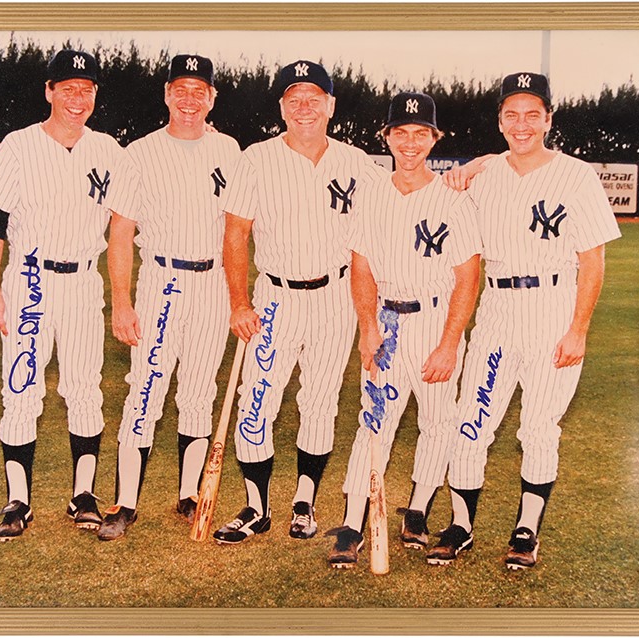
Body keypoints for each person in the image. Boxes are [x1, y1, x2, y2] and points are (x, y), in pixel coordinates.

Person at [426, 72, 621, 569]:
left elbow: (592, 262)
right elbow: (436, 211)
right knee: (471, 422)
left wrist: (578, 329)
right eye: (511, 114)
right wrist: (471, 166)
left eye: (533, 113)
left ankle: (526, 530)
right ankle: (461, 526)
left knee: (538, 428)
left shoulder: (577, 175)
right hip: (496, 309)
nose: (522, 123)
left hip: (554, 310)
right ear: (499, 121)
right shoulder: (482, 177)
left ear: (549, 119)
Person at [213, 60, 382, 545]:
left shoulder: (358, 164)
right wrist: (239, 303)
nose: (304, 107)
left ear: (331, 106)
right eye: (294, 99)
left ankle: (304, 501)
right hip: (274, 297)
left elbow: (377, 235)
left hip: (336, 297)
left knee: (320, 401)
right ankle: (255, 506)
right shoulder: (255, 158)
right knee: (256, 401)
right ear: (282, 108)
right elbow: (235, 234)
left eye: (314, 98)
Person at [0, 49, 125, 540]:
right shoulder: (19, 145)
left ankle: (83, 495)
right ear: (49, 91)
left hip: (84, 280)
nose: (77, 98)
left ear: (95, 95)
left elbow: (124, 223)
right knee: (21, 390)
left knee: (84, 387)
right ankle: (17, 500)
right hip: (30, 281)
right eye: (67, 88)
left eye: (86, 89)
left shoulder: (109, 151)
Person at [326, 92, 482, 568]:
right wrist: (367, 328)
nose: (410, 143)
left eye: (421, 134)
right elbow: (361, 266)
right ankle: (353, 522)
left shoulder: (455, 198)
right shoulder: (372, 194)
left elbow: (467, 278)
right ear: (387, 137)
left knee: (437, 423)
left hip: (435, 318)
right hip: (389, 318)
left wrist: (450, 343)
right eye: (401, 133)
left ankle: (417, 511)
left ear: (434, 139)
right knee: (374, 422)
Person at [96, 54, 241, 541]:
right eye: (181, 88)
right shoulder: (138, 152)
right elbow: (120, 233)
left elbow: (239, 229)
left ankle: (188, 493)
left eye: (200, 90)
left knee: (200, 391)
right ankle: (126, 502)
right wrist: (121, 300)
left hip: (213, 283)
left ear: (212, 99)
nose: (189, 98)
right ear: (166, 95)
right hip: (163, 281)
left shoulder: (230, 150)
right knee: (146, 387)